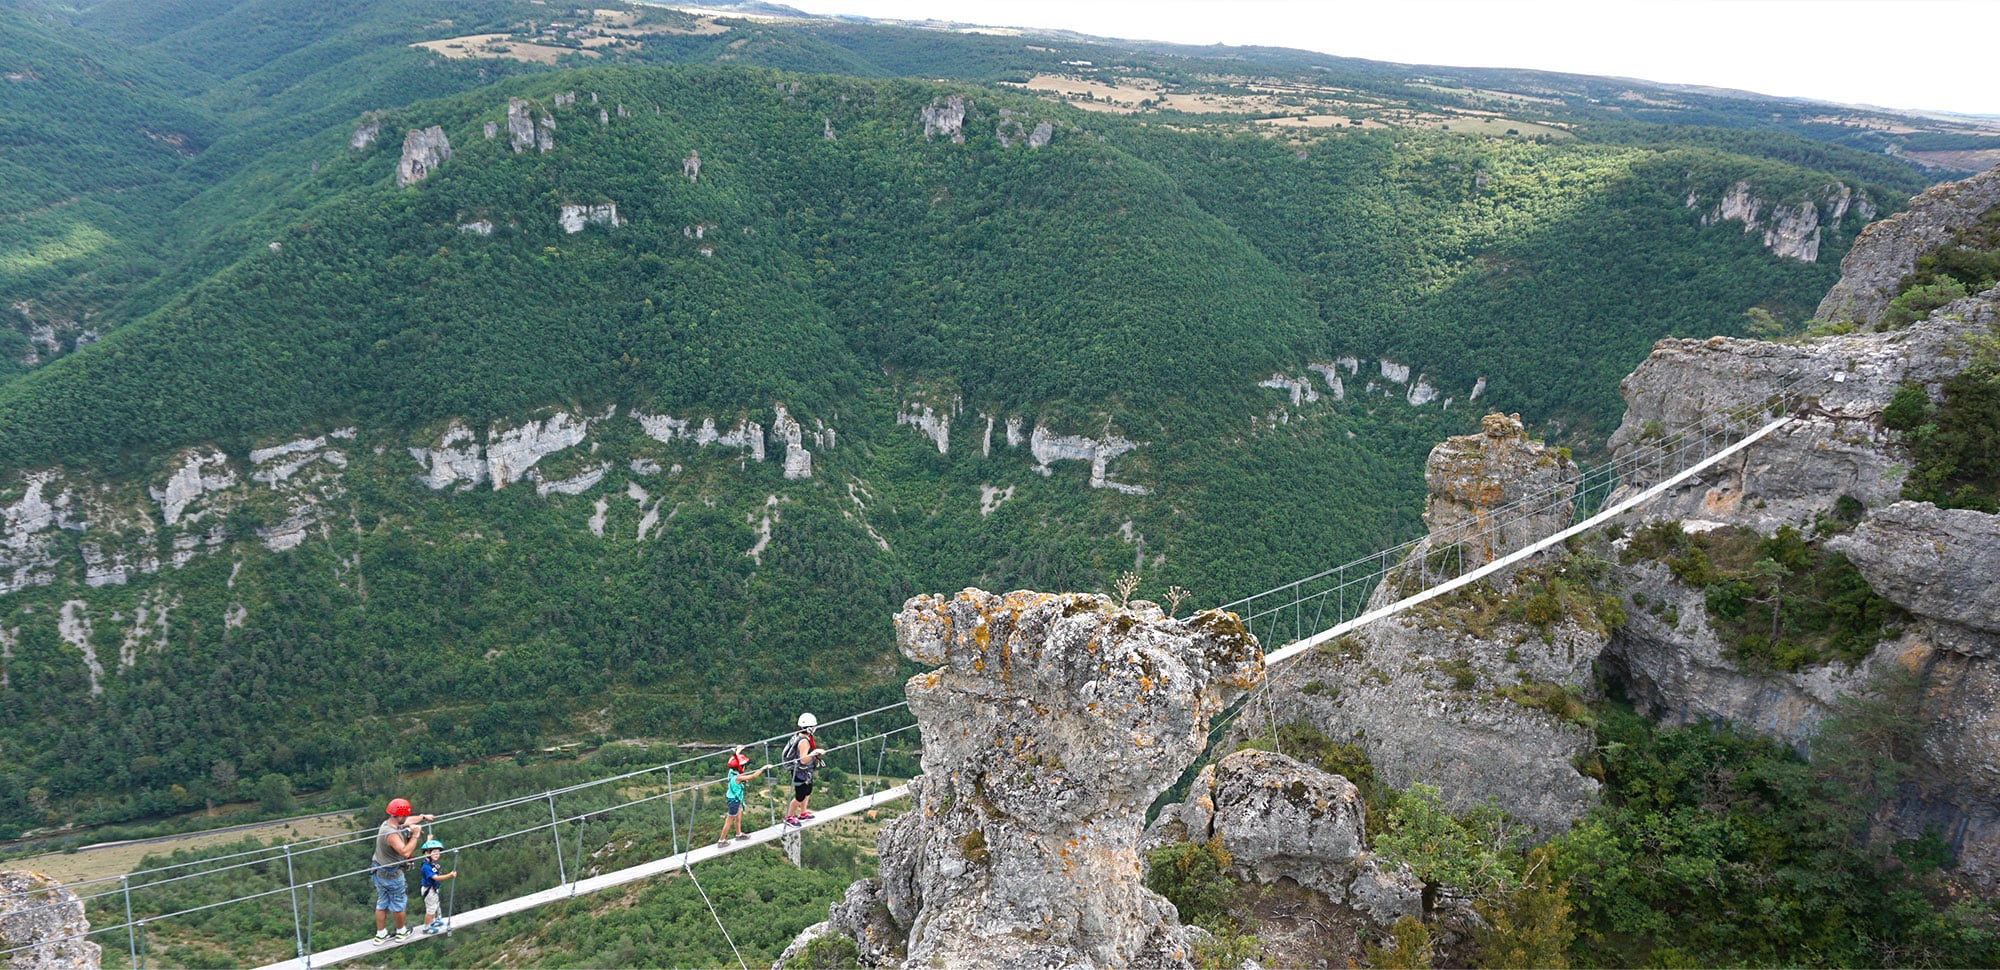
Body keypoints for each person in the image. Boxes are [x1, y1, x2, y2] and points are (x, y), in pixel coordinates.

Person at [370, 798, 434, 944]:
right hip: (392, 875)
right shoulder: (391, 834)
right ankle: (401, 932)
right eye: (403, 816)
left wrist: (423, 817)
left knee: (382, 902)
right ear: (399, 816)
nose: (405, 818)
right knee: (398, 903)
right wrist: (416, 835)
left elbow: (408, 820)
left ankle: (381, 934)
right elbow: (405, 852)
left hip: (379, 871)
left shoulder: (388, 824)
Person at [716, 747, 768, 844]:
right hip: (734, 801)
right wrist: (763, 768)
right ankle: (721, 840)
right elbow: (752, 776)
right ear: (740, 767)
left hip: (734, 799)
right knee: (729, 820)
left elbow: (735, 760)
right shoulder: (738, 777)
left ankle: (738, 834)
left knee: (738, 817)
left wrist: (738, 751)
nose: (744, 767)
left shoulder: (731, 772)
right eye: (743, 766)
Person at [783, 713, 827, 827]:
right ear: (809, 728)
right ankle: (789, 817)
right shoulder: (804, 742)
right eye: (814, 727)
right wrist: (814, 753)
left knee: (807, 792)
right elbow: (803, 760)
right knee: (799, 796)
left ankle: (803, 813)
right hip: (800, 772)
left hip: (805, 771)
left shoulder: (803, 737)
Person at [417, 839, 458, 933]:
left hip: (433, 889)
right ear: (427, 853)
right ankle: (426, 928)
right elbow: (436, 878)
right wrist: (450, 875)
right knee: (431, 909)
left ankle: (433, 921)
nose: (437, 855)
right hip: (429, 890)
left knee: (435, 906)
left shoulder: (431, 863)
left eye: (438, 853)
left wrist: (428, 839)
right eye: (434, 852)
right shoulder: (426, 867)